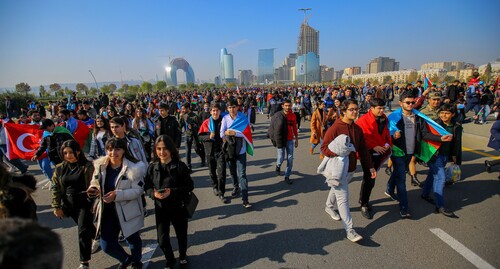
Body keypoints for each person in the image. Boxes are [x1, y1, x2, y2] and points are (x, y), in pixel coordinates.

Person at [386, 91, 453, 219]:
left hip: (412, 152)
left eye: (412, 102)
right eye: (407, 102)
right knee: (401, 180)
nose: (411, 105)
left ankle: (389, 189)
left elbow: (424, 134)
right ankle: (404, 208)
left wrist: (440, 138)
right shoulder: (394, 117)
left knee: (399, 172)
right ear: (401, 103)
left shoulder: (418, 117)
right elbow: (387, 134)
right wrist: (393, 136)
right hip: (399, 152)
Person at [87, 138, 146, 269]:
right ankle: (125, 259)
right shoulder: (100, 165)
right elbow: (95, 181)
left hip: (127, 209)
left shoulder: (134, 167)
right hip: (107, 211)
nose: (113, 152)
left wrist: (117, 195)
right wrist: (94, 188)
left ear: (124, 150)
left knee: (133, 240)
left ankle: (136, 262)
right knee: (106, 245)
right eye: (110, 149)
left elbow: (138, 190)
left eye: (117, 149)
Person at [321, 99, 375, 242]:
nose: (355, 112)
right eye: (351, 109)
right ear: (343, 111)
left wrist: (370, 166)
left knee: (337, 191)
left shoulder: (357, 129)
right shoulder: (335, 128)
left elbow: (363, 150)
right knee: (343, 199)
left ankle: (328, 206)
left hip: (351, 169)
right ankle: (350, 230)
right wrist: (339, 153)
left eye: (356, 109)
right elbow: (324, 148)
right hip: (338, 170)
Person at [144, 135, 194, 268]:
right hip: (161, 208)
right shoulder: (152, 167)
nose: (162, 152)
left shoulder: (180, 166)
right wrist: (153, 194)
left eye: (165, 148)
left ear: (171, 149)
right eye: (159, 149)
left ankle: (183, 255)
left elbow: (189, 186)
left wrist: (172, 191)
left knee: (181, 235)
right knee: (162, 239)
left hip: (178, 207)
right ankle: (170, 259)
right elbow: (147, 186)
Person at [51, 140, 96, 269]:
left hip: (85, 203)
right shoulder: (60, 168)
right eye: (65, 153)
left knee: (82, 231)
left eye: (71, 152)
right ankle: (101, 236)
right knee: (87, 228)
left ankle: (84, 262)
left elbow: (95, 184)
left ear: (78, 151)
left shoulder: (87, 166)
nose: (68, 155)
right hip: (69, 204)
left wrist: (94, 201)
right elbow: (55, 187)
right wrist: (56, 206)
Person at [420, 104, 461, 218]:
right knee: (441, 178)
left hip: (445, 155)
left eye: (447, 113)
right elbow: (425, 135)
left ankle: (425, 193)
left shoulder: (457, 126)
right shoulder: (434, 124)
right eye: (442, 112)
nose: (444, 115)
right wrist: (439, 138)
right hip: (434, 154)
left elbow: (457, 143)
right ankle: (440, 205)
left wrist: (455, 158)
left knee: (432, 175)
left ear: (453, 114)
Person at [355, 98, 392, 219]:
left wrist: (386, 145)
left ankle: (363, 200)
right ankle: (364, 203)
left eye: (383, 108)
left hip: (379, 153)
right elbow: (359, 139)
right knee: (369, 178)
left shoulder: (384, 119)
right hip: (367, 154)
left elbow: (386, 135)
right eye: (379, 108)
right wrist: (372, 147)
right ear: (371, 108)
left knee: (371, 179)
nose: (382, 110)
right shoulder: (363, 121)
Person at [221, 99, 254, 208]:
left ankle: (245, 199)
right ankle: (236, 187)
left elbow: (247, 132)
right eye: (229, 107)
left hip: (241, 150)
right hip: (230, 150)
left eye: (233, 107)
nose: (232, 109)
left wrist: (234, 133)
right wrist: (227, 133)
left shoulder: (243, 117)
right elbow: (222, 133)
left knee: (242, 174)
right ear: (227, 108)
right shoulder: (225, 118)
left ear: (237, 107)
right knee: (232, 171)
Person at [198, 104, 229, 203]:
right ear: (210, 112)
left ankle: (221, 192)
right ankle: (215, 186)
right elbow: (199, 137)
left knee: (222, 173)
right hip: (209, 151)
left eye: (217, 110)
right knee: (212, 172)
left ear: (220, 111)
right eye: (213, 111)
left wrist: (226, 138)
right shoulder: (206, 123)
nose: (215, 113)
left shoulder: (224, 121)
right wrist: (209, 137)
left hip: (221, 151)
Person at [268, 99, 298, 185]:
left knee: (290, 159)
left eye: (289, 105)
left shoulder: (293, 116)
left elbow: (294, 128)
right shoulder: (278, 116)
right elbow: (273, 128)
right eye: (286, 106)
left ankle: (287, 176)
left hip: (290, 140)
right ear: (283, 106)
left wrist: (296, 139)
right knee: (281, 157)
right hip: (281, 139)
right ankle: (278, 165)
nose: (288, 107)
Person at [179, 103, 205, 171]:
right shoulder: (183, 116)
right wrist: (180, 118)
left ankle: (202, 158)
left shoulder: (195, 116)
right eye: (182, 109)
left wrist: (193, 126)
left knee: (197, 149)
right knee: (187, 151)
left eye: (184, 109)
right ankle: (189, 166)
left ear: (188, 108)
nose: (183, 110)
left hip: (194, 136)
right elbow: (180, 126)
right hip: (187, 135)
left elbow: (200, 126)